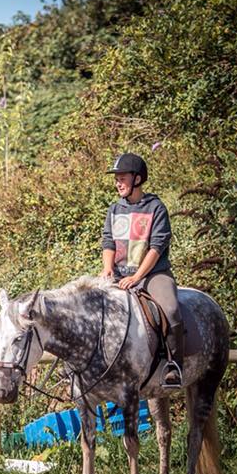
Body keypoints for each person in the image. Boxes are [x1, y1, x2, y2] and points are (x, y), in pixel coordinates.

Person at [100, 152, 182, 388]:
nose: (118, 183)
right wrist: (107, 269)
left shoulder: (156, 208)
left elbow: (156, 248)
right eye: (116, 178)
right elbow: (108, 242)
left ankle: (173, 366)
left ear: (137, 179)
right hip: (118, 274)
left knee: (171, 309)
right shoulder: (115, 209)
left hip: (153, 275)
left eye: (122, 178)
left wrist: (136, 277)